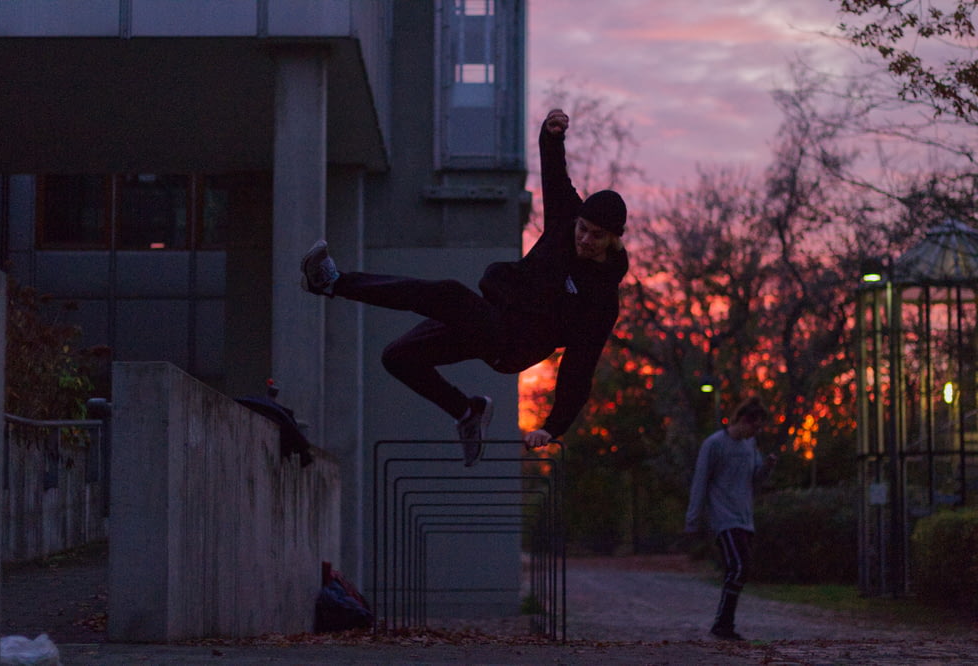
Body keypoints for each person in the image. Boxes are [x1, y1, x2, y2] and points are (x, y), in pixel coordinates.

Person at [300, 108, 629, 466]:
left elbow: (579, 368)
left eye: (597, 237)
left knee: (447, 295)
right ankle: (467, 411)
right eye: (583, 229)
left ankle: (332, 281)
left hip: (513, 345)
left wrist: (553, 426)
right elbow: (554, 175)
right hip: (491, 314)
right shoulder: (566, 219)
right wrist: (552, 136)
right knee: (399, 357)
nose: (584, 240)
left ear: (613, 240)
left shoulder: (600, 302)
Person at [684, 396, 777, 641]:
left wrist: (767, 467)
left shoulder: (750, 446)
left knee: (740, 569)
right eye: (755, 426)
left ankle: (724, 623)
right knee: (738, 567)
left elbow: (755, 479)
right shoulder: (714, 445)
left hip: (744, 517)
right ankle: (722, 623)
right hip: (723, 517)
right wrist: (693, 518)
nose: (756, 432)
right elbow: (700, 481)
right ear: (744, 420)